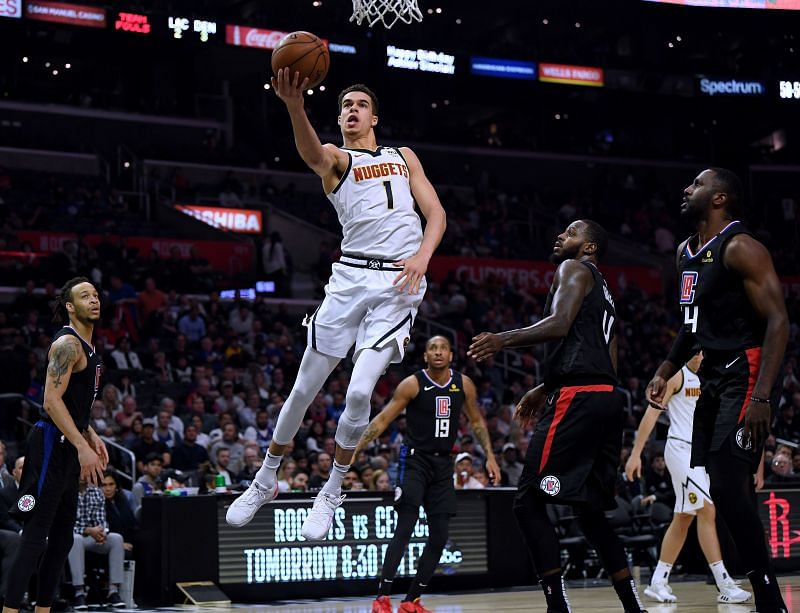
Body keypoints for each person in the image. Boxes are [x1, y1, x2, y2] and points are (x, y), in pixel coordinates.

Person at [226, 77, 446, 540]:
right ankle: (266, 478)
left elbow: (437, 213)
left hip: (398, 283)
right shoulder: (335, 159)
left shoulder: (403, 157)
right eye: (346, 104)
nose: (352, 110)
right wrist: (293, 106)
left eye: (361, 105)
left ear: (374, 117)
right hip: (348, 278)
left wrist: (424, 256)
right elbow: (311, 155)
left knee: (360, 393)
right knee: (303, 389)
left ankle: (331, 489)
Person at [467, 221, 646, 613]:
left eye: (570, 233)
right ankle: (633, 607)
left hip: (579, 396)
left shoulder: (573, 269)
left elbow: (560, 325)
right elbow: (608, 355)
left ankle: (556, 605)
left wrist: (502, 339)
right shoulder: (605, 290)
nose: (560, 237)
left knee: (528, 502)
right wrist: (548, 386)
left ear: (590, 246)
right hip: (608, 398)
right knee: (589, 511)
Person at [647, 168, 789, 613]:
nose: (687, 189)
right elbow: (692, 327)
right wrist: (666, 366)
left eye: (697, 185)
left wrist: (763, 395)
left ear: (720, 198)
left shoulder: (741, 247)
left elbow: (779, 321)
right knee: (725, 488)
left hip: (746, 370)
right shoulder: (685, 253)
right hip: (710, 373)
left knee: (727, 484)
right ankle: (761, 587)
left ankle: (766, 594)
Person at [354, 335, 499, 613]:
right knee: (405, 527)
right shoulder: (412, 383)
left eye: (443, 348)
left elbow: (477, 421)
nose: (437, 352)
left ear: (451, 355)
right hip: (415, 461)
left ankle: (412, 601)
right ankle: (382, 597)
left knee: (439, 536)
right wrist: (356, 448)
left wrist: (490, 456)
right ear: (425, 356)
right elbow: (383, 419)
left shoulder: (463, 384)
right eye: (432, 348)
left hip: (444, 465)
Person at [2, 277, 107, 613]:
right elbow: (50, 401)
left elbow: (72, 404)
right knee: (34, 537)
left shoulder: (89, 348)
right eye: (84, 296)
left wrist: (89, 433)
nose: (93, 300)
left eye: (95, 294)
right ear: (69, 306)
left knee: (62, 540)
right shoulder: (67, 344)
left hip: (69, 443)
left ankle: (44, 609)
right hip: (50, 443)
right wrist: (81, 443)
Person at [626, 352, 750, 604]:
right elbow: (651, 415)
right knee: (707, 510)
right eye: (694, 350)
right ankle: (724, 582)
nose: (699, 354)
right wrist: (635, 454)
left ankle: (658, 581)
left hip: (700, 454)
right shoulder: (676, 376)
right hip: (680, 449)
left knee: (683, 517)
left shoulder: (711, 377)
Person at [67, 478, 126, 609]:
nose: (82, 475)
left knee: (116, 539)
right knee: (75, 538)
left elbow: (101, 519)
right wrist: (87, 530)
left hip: (92, 537)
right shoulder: (64, 491)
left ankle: (113, 590)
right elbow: (64, 524)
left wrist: (102, 533)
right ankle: (79, 592)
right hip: (69, 537)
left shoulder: (96, 492)